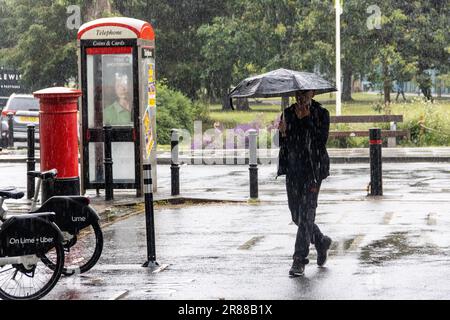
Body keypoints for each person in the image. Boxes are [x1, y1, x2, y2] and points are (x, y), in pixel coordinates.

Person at [277, 90, 332, 277]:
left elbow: (320, 141)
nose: (300, 97)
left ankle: (299, 260)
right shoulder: (288, 113)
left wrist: (307, 119)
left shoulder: (321, 113)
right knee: (296, 216)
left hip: (313, 170)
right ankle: (321, 241)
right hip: (293, 170)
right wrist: (282, 133)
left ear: (312, 93)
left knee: (307, 214)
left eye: (304, 93)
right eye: (297, 94)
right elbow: (283, 144)